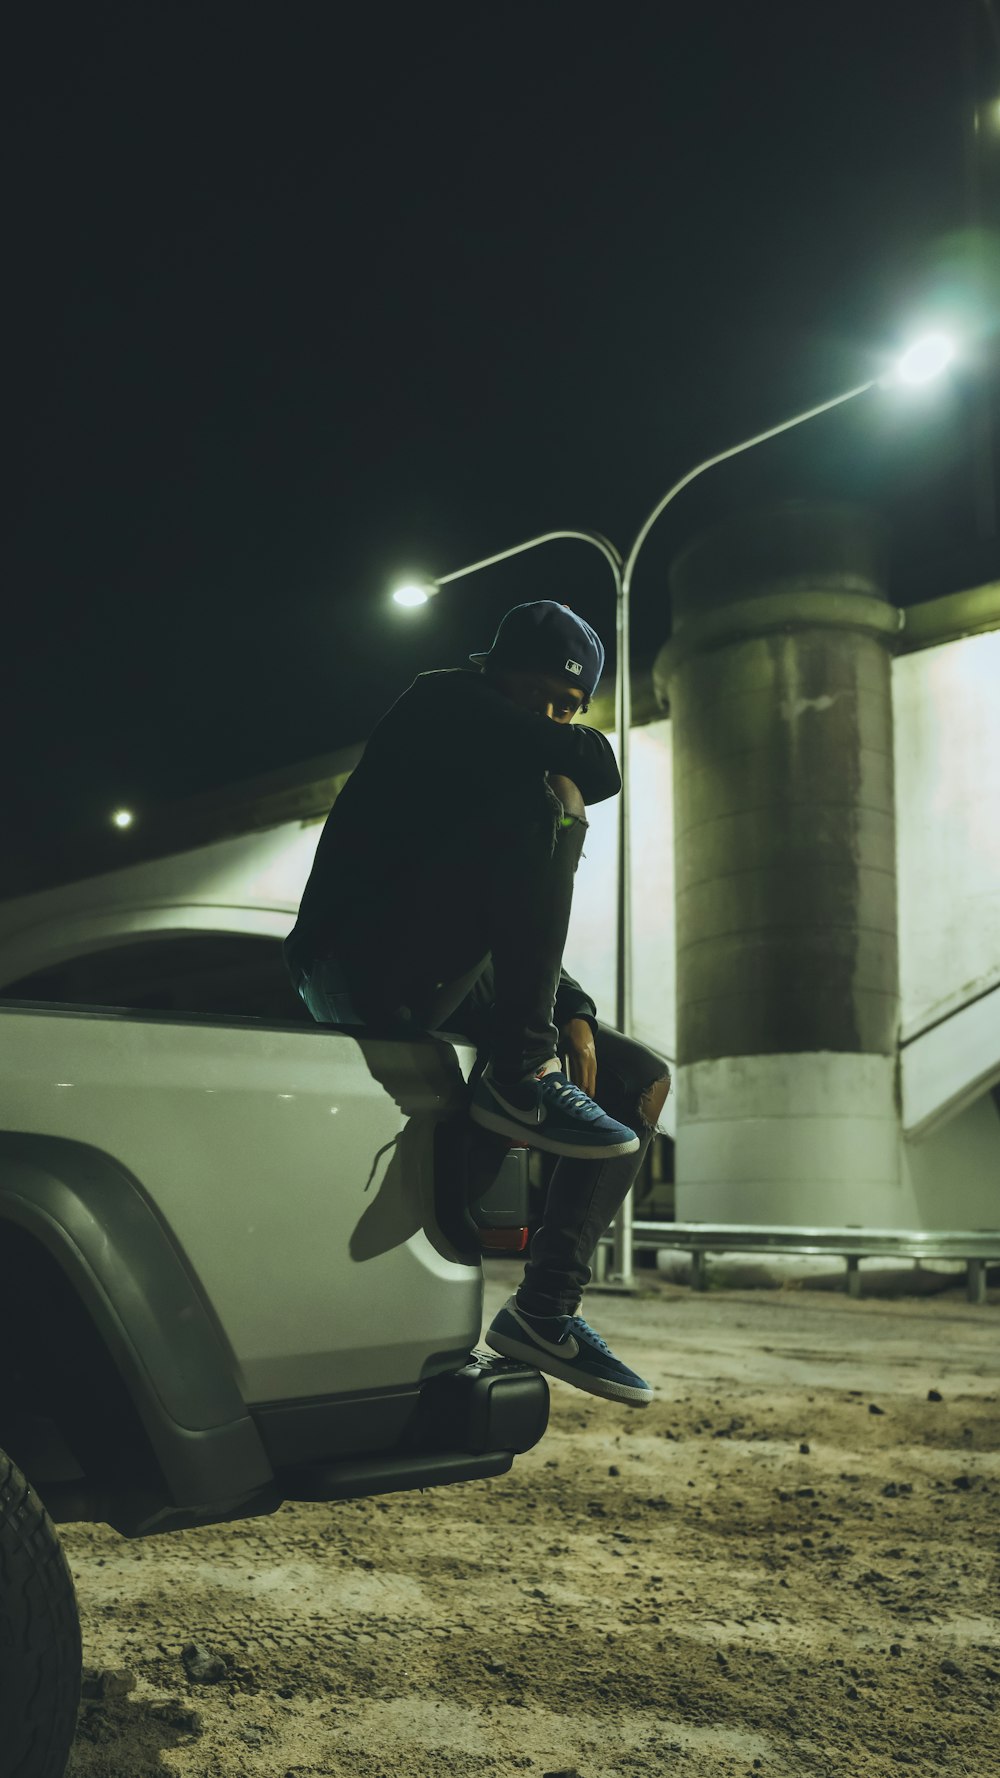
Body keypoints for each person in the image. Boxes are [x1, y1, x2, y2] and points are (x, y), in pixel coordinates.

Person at [283, 599, 672, 1408]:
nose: (553, 717)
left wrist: (573, 1006)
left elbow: (496, 915)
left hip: (436, 959)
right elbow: (596, 768)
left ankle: (546, 1310)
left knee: (638, 1080)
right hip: (353, 958)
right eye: (543, 698)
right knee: (554, 797)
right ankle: (521, 1075)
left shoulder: (500, 772)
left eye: (569, 707)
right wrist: (535, 1042)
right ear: (498, 675)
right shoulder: (442, 704)